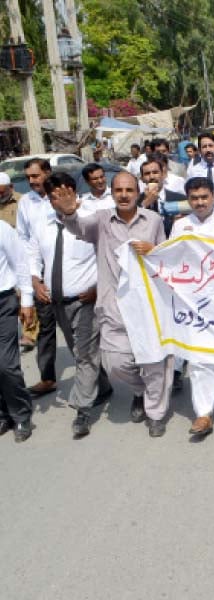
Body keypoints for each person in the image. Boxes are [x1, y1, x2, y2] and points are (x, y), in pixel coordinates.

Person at [53, 171, 174, 438]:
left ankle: (155, 413)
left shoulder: (152, 220)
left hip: (147, 305)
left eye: (129, 190)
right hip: (114, 306)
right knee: (115, 364)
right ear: (112, 192)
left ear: (137, 192)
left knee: (155, 362)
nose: (123, 195)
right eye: (118, 190)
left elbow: (167, 256)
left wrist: (152, 249)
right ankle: (141, 391)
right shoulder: (102, 219)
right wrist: (69, 213)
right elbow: (79, 228)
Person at [35, 173, 113, 437]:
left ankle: (82, 410)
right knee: (82, 352)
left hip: (86, 299)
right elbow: (32, 254)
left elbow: (109, 255)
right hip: (57, 302)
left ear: (73, 190)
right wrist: (35, 282)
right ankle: (102, 387)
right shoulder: (43, 223)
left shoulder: (93, 217)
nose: (59, 199)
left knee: (83, 353)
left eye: (64, 193)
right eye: (53, 196)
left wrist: (98, 288)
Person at [169, 177, 214, 437]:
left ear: (213, 197)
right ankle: (203, 413)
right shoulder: (180, 227)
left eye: (204, 197)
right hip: (192, 300)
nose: (199, 202)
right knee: (199, 357)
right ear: (188, 200)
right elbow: (171, 261)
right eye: (194, 198)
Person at [18, 158, 58, 396]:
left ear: (48, 173)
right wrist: (32, 279)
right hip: (39, 273)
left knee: (76, 329)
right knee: (45, 328)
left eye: (36, 176)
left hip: (65, 271)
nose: (32, 181)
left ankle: (99, 381)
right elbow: (23, 238)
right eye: (29, 178)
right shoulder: (26, 203)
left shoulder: (61, 195)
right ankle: (47, 378)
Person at [0, 217, 35, 442]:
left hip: (3, 301)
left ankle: (21, 413)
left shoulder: (2, 228)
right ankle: (3, 413)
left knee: (5, 364)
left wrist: (27, 301)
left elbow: (20, 262)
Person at [138, 157, 186, 237]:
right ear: (142, 179)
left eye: (155, 172)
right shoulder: (136, 202)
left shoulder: (180, 199)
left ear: (163, 175)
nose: (152, 177)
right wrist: (145, 204)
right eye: (147, 174)